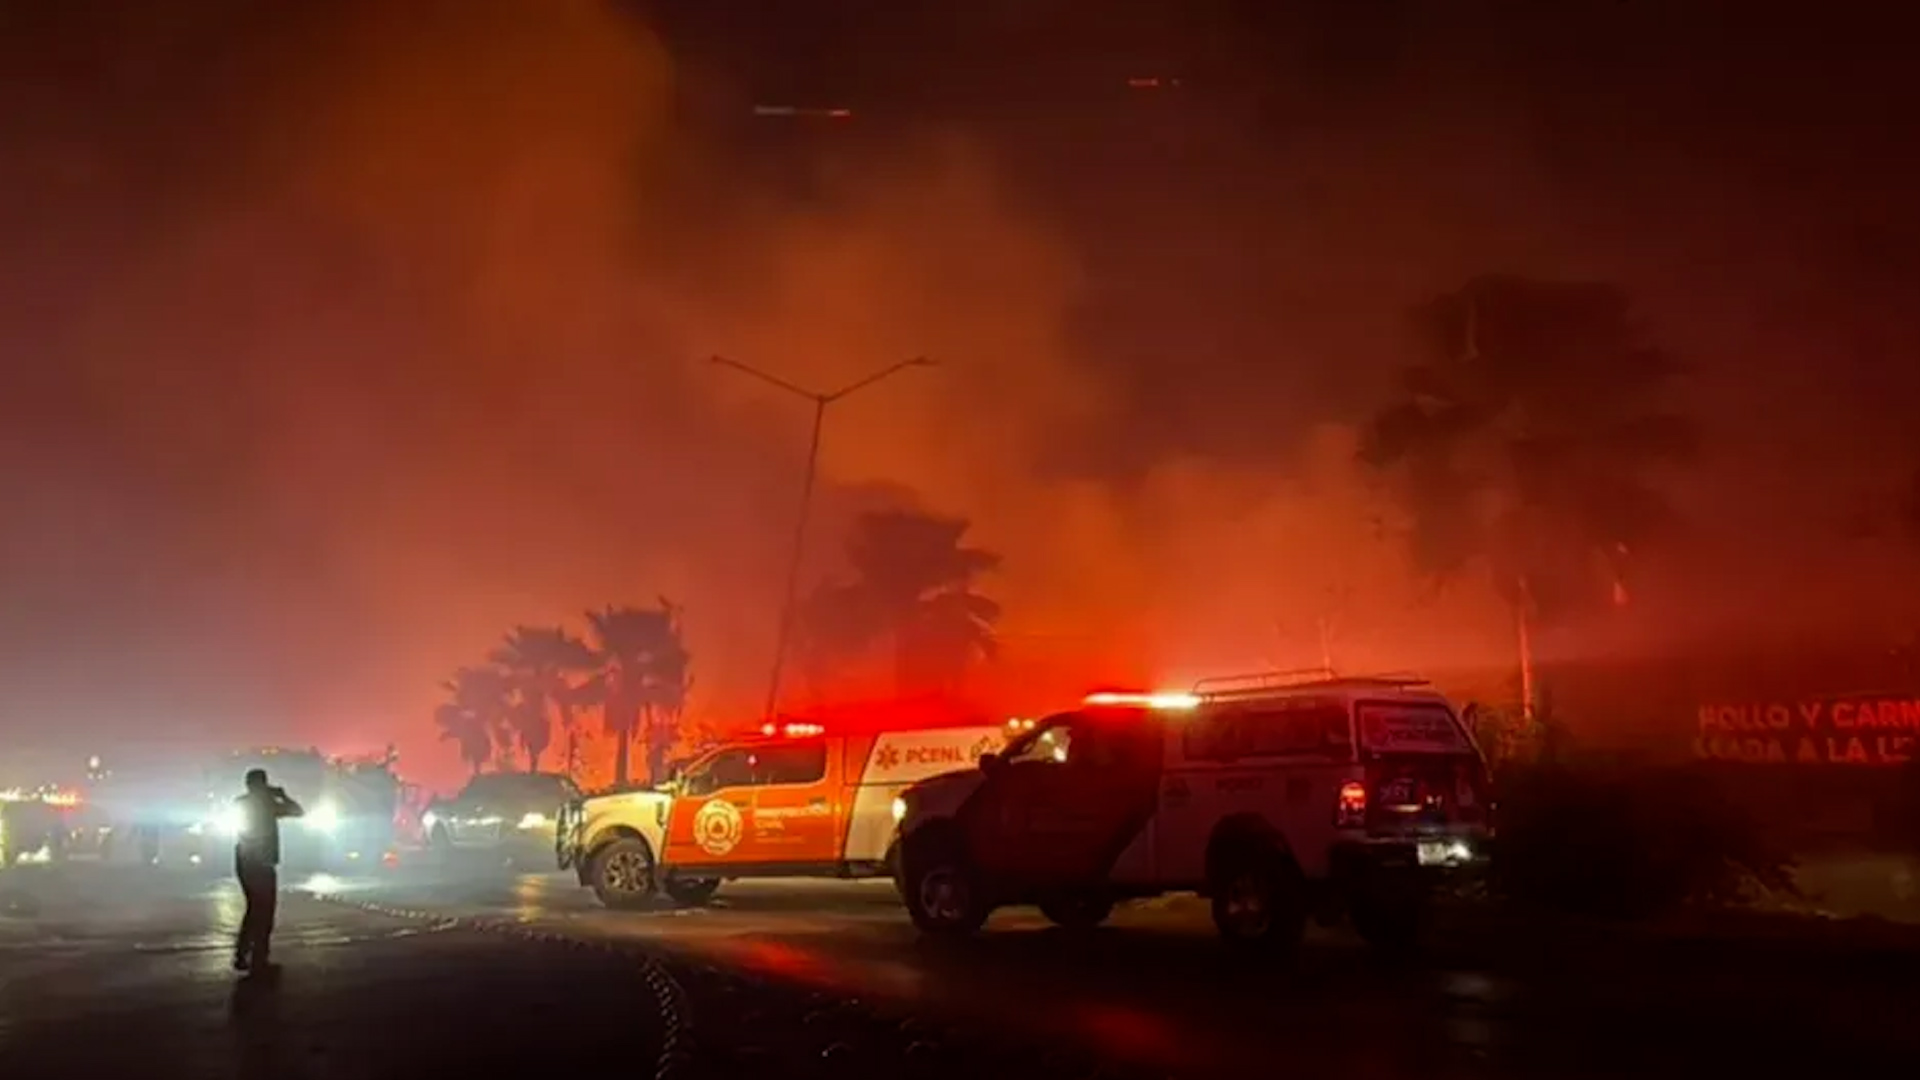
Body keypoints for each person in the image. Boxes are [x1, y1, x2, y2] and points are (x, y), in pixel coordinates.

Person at [232, 768, 303, 972]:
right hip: (262, 862)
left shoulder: (241, 802)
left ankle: (243, 954)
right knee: (264, 911)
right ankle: (258, 958)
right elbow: (298, 811)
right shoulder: (267, 804)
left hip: (244, 860)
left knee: (254, 908)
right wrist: (282, 796)